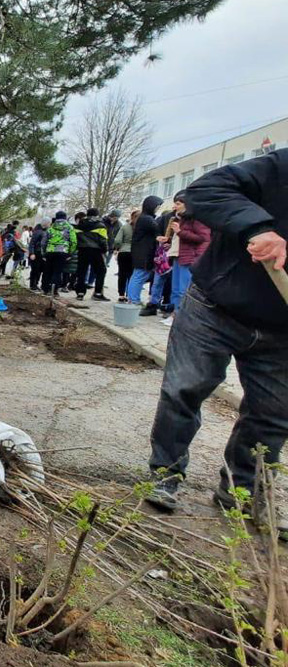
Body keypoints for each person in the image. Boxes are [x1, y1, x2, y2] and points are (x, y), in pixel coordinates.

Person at [143, 150, 288, 540]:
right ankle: (165, 474)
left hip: (282, 329)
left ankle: (241, 489)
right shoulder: (279, 169)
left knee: (273, 414)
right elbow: (203, 190)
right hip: (215, 305)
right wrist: (257, 228)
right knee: (185, 388)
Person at [162, 192, 211, 326]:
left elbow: (203, 237)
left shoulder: (198, 218)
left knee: (184, 289)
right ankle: (175, 314)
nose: (175, 207)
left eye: (178, 204)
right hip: (179, 255)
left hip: (190, 257)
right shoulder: (183, 218)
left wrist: (180, 231)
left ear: (187, 204)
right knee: (176, 288)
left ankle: (181, 318)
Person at [125, 195, 164, 309]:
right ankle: (133, 300)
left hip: (140, 252)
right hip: (144, 253)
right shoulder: (147, 219)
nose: (157, 209)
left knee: (138, 275)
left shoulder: (144, 218)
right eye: (157, 206)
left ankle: (132, 298)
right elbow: (157, 230)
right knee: (139, 276)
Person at [73, 207, 109, 301]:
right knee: (101, 271)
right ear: (97, 215)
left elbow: (75, 238)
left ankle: (80, 293)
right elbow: (103, 240)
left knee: (82, 271)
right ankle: (97, 293)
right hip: (96, 251)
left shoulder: (80, 224)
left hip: (82, 250)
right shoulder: (101, 225)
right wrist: (105, 250)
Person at [41, 212, 75, 296]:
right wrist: (70, 253)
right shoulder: (70, 228)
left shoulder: (51, 228)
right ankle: (55, 290)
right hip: (63, 252)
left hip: (50, 251)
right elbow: (74, 242)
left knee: (48, 271)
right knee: (58, 271)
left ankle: (46, 289)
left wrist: (44, 253)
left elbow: (43, 242)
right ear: (65, 218)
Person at [114, 211, 135, 302]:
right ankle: (130, 294)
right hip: (135, 253)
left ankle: (121, 295)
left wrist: (118, 248)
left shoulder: (125, 227)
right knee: (132, 275)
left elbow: (117, 240)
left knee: (122, 274)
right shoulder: (140, 228)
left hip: (123, 252)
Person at [27, 218, 48, 292]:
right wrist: (32, 253)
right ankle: (33, 285)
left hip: (41, 254)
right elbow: (32, 243)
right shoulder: (38, 232)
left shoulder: (45, 231)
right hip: (36, 253)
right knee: (35, 270)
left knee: (39, 270)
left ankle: (35, 284)